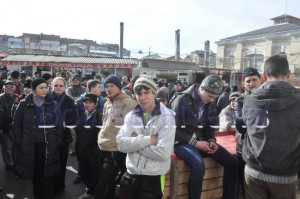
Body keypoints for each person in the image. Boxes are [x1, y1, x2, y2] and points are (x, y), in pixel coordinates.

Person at [171, 75, 238, 199]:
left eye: (214, 97)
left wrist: (212, 140)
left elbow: (210, 126)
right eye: (210, 96)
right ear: (201, 89)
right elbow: (173, 131)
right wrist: (195, 143)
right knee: (198, 165)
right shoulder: (181, 100)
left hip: (201, 140)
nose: (212, 100)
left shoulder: (209, 102)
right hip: (180, 142)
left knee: (233, 162)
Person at [242, 55, 300, 199]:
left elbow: (248, 127)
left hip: (254, 171)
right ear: (288, 74)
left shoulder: (250, 99)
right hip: (286, 174)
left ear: (264, 75)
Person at [116, 75, 176, 199]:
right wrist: (149, 140)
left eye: (146, 92)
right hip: (130, 175)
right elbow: (121, 144)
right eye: (139, 93)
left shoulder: (167, 118)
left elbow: (164, 153)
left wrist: (133, 143)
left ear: (154, 92)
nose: (142, 97)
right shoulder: (130, 116)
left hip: (153, 179)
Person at [12, 78, 64, 199]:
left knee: (48, 174)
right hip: (30, 145)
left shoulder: (53, 104)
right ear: (34, 89)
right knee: (35, 174)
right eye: (41, 88)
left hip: (48, 145)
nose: (45, 90)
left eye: (46, 87)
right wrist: (20, 140)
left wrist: (57, 140)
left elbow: (59, 125)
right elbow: (16, 124)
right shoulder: (24, 104)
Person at [96, 75, 137, 199]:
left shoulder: (129, 103)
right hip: (103, 146)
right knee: (109, 182)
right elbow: (105, 123)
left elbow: (135, 128)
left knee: (102, 183)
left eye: (112, 86)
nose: (108, 88)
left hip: (116, 149)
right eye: (106, 86)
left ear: (119, 87)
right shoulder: (107, 102)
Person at [233, 67, 262, 198]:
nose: (251, 83)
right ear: (244, 83)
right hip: (244, 148)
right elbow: (241, 125)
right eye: (248, 81)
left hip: (263, 149)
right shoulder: (239, 101)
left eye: (254, 80)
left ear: (261, 80)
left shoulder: (267, 99)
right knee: (245, 184)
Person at [50, 77, 77, 195]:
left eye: (61, 85)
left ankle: (60, 186)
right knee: (49, 162)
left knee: (61, 162)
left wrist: (67, 122)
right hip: (48, 135)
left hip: (64, 136)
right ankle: (49, 184)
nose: (58, 87)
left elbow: (74, 118)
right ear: (52, 86)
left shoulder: (69, 100)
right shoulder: (46, 98)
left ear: (65, 87)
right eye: (56, 85)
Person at [75, 94, 102, 199]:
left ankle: (95, 194)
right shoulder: (82, 115)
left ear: (96, 104)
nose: (87, 104)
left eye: (90, 102)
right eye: (85, 102)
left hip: (93, 153)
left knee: (95, 175)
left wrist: (96, 151)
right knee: (85, 174)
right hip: (81, 151)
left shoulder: (99, 116)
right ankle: (90, 192)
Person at [0, 80, 18, 171]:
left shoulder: (17, 97)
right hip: (4, 127)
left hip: (16, 127)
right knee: (6, 147)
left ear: (14, 88)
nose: (9, 88)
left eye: (11, 86)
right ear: (3, 87)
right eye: (7, 86)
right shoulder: (0, 98)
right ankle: (9, 164)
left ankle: (14, 162)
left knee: (15, 146)